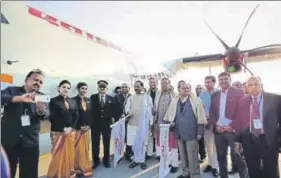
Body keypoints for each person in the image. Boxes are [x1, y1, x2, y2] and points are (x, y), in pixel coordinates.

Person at [1, 69, 48, 178]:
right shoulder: (12, 90)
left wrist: (41, 111)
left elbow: (47, 114)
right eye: (35, 80)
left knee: (30, 172)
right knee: (7, 171)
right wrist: (19, 98)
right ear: (26, 80)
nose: (38, 83)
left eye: (41, 82)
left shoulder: (42, 97)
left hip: (30, 141)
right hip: (9, 139)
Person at [234, 76, 281, 178]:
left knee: (271, 169)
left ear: (261, 85)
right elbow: (239, 121)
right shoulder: (242, 101)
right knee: (253, 169)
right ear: (246, 88)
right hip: (249, 140)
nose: (253, 87)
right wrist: (237, 141)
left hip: (268, 140)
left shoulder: (276, 99)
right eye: (250, 85)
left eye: (256, 84)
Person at [209, 72, 249, 178]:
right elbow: (211, 112)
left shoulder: (239, 92)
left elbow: (242, 112)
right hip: (219, 131)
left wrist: (232, 126)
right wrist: (216, 125)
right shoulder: (215, 94)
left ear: (230, 79)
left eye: (225, 79)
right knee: (221, 157)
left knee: (238, 157)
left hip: (233, 131)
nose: (223, 81)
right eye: (221, 79)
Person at [164, 82, 207, 178]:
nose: (186, 90)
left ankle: (195, 174)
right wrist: (171, 124)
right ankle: (185, 173)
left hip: (192, 133)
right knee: (183, 155)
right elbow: (171, 116)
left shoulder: (196, 101)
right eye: (184, 88)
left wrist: (200, 132)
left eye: (188, 88)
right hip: (179, 133)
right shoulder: (174, 101)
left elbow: (201, 117)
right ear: (179, 89)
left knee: (192, 156)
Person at [47, 80, 78, 178]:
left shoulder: (72, 101)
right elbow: (52, 117)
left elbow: (76, 116)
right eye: (64, 87)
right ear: (58, 88)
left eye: (68, 88)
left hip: (70, 132)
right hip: (58, 132)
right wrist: (63, 128)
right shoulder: (53, 101)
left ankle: (68, 174)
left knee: (69, 155)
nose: (66, 89)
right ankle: (55, 175)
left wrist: (71, 127)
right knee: (57, 156)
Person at [125, 80, 153, 170]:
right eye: (135, 86)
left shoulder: (147, 98)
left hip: (143, 125)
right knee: (134, 143)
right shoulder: (131, 98)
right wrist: (128, 112)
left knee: (143, 143)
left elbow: (151, 111)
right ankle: (136, 160)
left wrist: (151, 123)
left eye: (138, 86)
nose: (136, 88)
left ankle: (142, 160)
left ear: (142, 87)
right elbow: (127, 108)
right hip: (132, 123)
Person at [90, 80, 118, 168]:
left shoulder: (111, 98)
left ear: (107, 88)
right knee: (95, 143)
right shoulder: (93, 97)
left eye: (104, 87)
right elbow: (90, 110)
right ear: (97, 87)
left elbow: (115, 110)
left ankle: (106, 160)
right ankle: (96, 161)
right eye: (100, 87)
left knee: (106, 143)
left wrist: (113, 119)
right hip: (95, 124)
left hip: (107, 124)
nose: (102, 88)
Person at [154, 78, 178, 173]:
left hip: (171, 125)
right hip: (160, 124)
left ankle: (175, 164)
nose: (163, 85)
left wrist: (174, 122)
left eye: (165, 83)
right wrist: (154, 112)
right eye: (162, 83)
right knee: (163, 145)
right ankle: (165, 162)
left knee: (173, 146)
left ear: (169, 84)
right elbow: (156, 107)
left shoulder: (175, 95)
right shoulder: (158, 95)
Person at [199, 76, 219, 177]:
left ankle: (216, 167)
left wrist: (211, 120)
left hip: (216, 123)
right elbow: (200, 108)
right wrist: (205, 121)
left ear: (214, 83)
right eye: (205, 82)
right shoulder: (202, 94)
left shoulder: (219, 93)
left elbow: (220, 109)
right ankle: (210, 164)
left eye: (209, 82)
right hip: (205, 123)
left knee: (215, 146)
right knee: (208, 145)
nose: (207, 84)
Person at [72, 82, 93, 177]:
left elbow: (91, 115)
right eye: (82, 88)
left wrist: (89, 125)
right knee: (77, 151)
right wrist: (79, 126)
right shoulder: (72, 100)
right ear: (78, 89)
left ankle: (85, 168)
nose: (84, 90)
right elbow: (71, 116)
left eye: (85, 88)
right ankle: (77, 170)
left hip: (86, 130)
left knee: (85, 150)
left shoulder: (88, 100)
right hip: (77, 130)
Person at [114, 83, 132, 161]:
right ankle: (119, 154)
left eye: (126, 87)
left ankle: (128, 154)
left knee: (129, 138)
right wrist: (118, 116)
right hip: (120, 121)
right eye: (123, 87)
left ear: (129, 88)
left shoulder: (133, 97)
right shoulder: (116, 97)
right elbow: (114, 109)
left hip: (130, 120)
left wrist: (129, 115)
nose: (124, 88)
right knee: (120, 138)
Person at [147, 77, 161, 158]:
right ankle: (149, 153)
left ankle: (158, 154)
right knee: (149, 136)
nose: (152, 84)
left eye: (154, 82)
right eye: (151, 82)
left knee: (157, 136)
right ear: (149, 83)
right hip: (148, 117)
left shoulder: (161, 93)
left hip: (157, 116)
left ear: (157, 83)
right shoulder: (145, 93)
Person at [195, 84, 207, 163]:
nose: (199, 90)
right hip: (197, 122)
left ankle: (204, 155)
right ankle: (201, 155)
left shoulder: (205, 98)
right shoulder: (194, 98)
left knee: (204, 141)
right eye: (197, 88)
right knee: (199, 140)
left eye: (200, 88)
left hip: (205, 121)